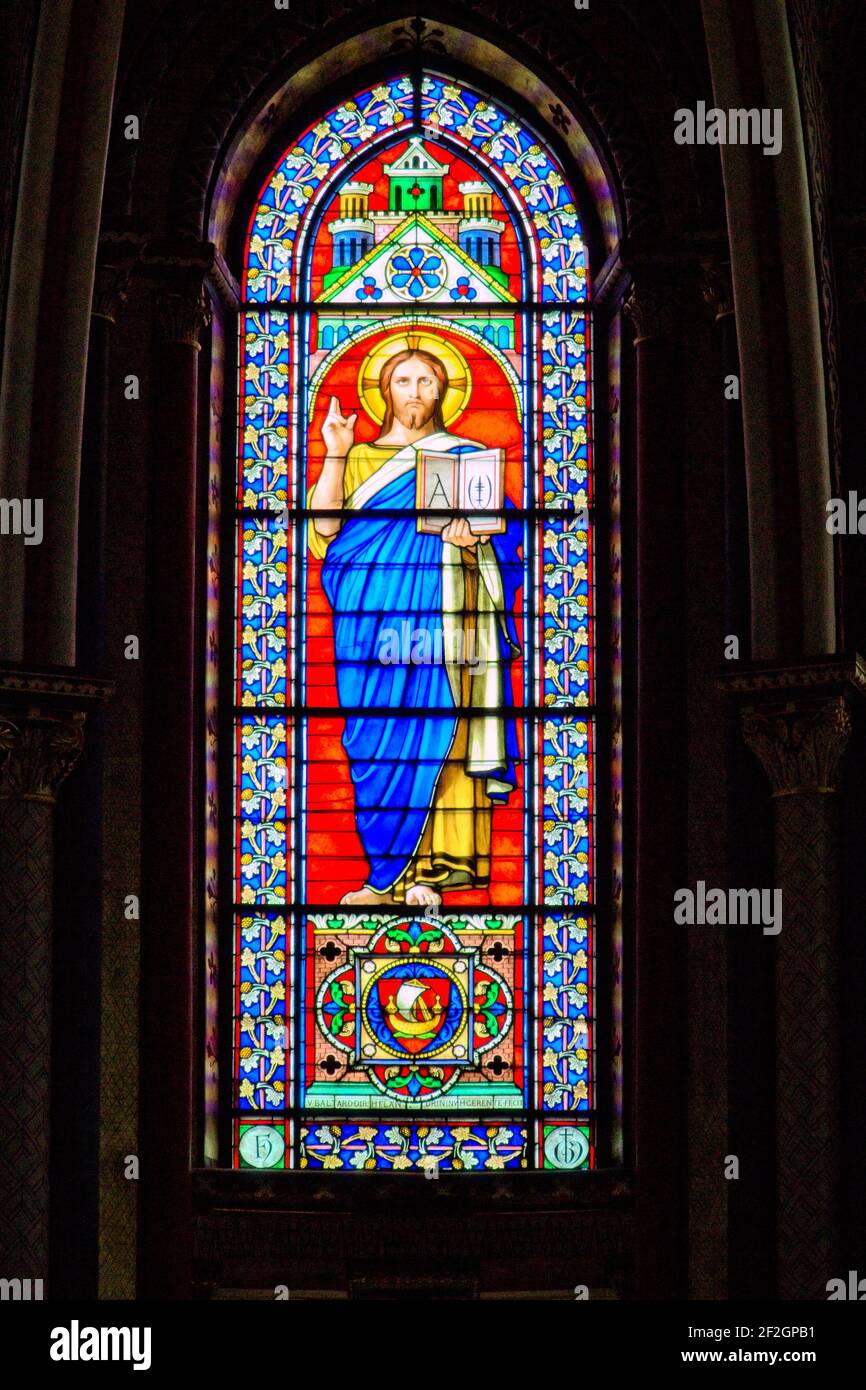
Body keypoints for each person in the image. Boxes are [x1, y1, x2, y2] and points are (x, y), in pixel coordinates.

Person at [309, 347, 522, 907]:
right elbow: (325, 528)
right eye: (403, 380)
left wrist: (476, 540)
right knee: (375, 736)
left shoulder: (468, 457)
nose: (415, 391)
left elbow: (508, 538)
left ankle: (436, 869)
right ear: (385, 391)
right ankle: (385, 876)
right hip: (370, 619)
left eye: (427, 380)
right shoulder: (356, 458)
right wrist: (334, 452)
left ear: (443, 391)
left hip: (447, 615)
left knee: (446, 721)